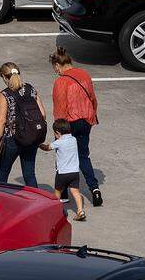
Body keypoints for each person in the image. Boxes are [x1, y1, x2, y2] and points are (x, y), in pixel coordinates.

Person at [49, 46, 102, 206]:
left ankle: (63, 194)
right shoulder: (84, 74)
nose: (56, 71)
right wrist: (93, 117)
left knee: (62, 158)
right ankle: (94, 189)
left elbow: (60, 107)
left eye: (55, 68)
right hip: (86, 120)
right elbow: (93, 98)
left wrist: (58, 130)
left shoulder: (61, 81)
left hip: (69, 124)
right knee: (83, 155)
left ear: (57, 65)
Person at [0, 62, 46, 187]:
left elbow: (1, 122)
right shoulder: (31, 89)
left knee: (2, 174)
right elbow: (43, 114)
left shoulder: (5, 94)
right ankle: (36, 202)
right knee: (29, 175)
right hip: (31, 137)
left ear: (4, 77)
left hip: (12, 140)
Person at [40, 119, 85, 221]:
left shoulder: (59, 142)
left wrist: (39, 144)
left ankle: (56, 212)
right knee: (75, 192)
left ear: (58, 133)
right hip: (74, 172)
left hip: (62, 173)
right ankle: (80, 211)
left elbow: (47, 148)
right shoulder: (73, 139)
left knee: (57, 193)